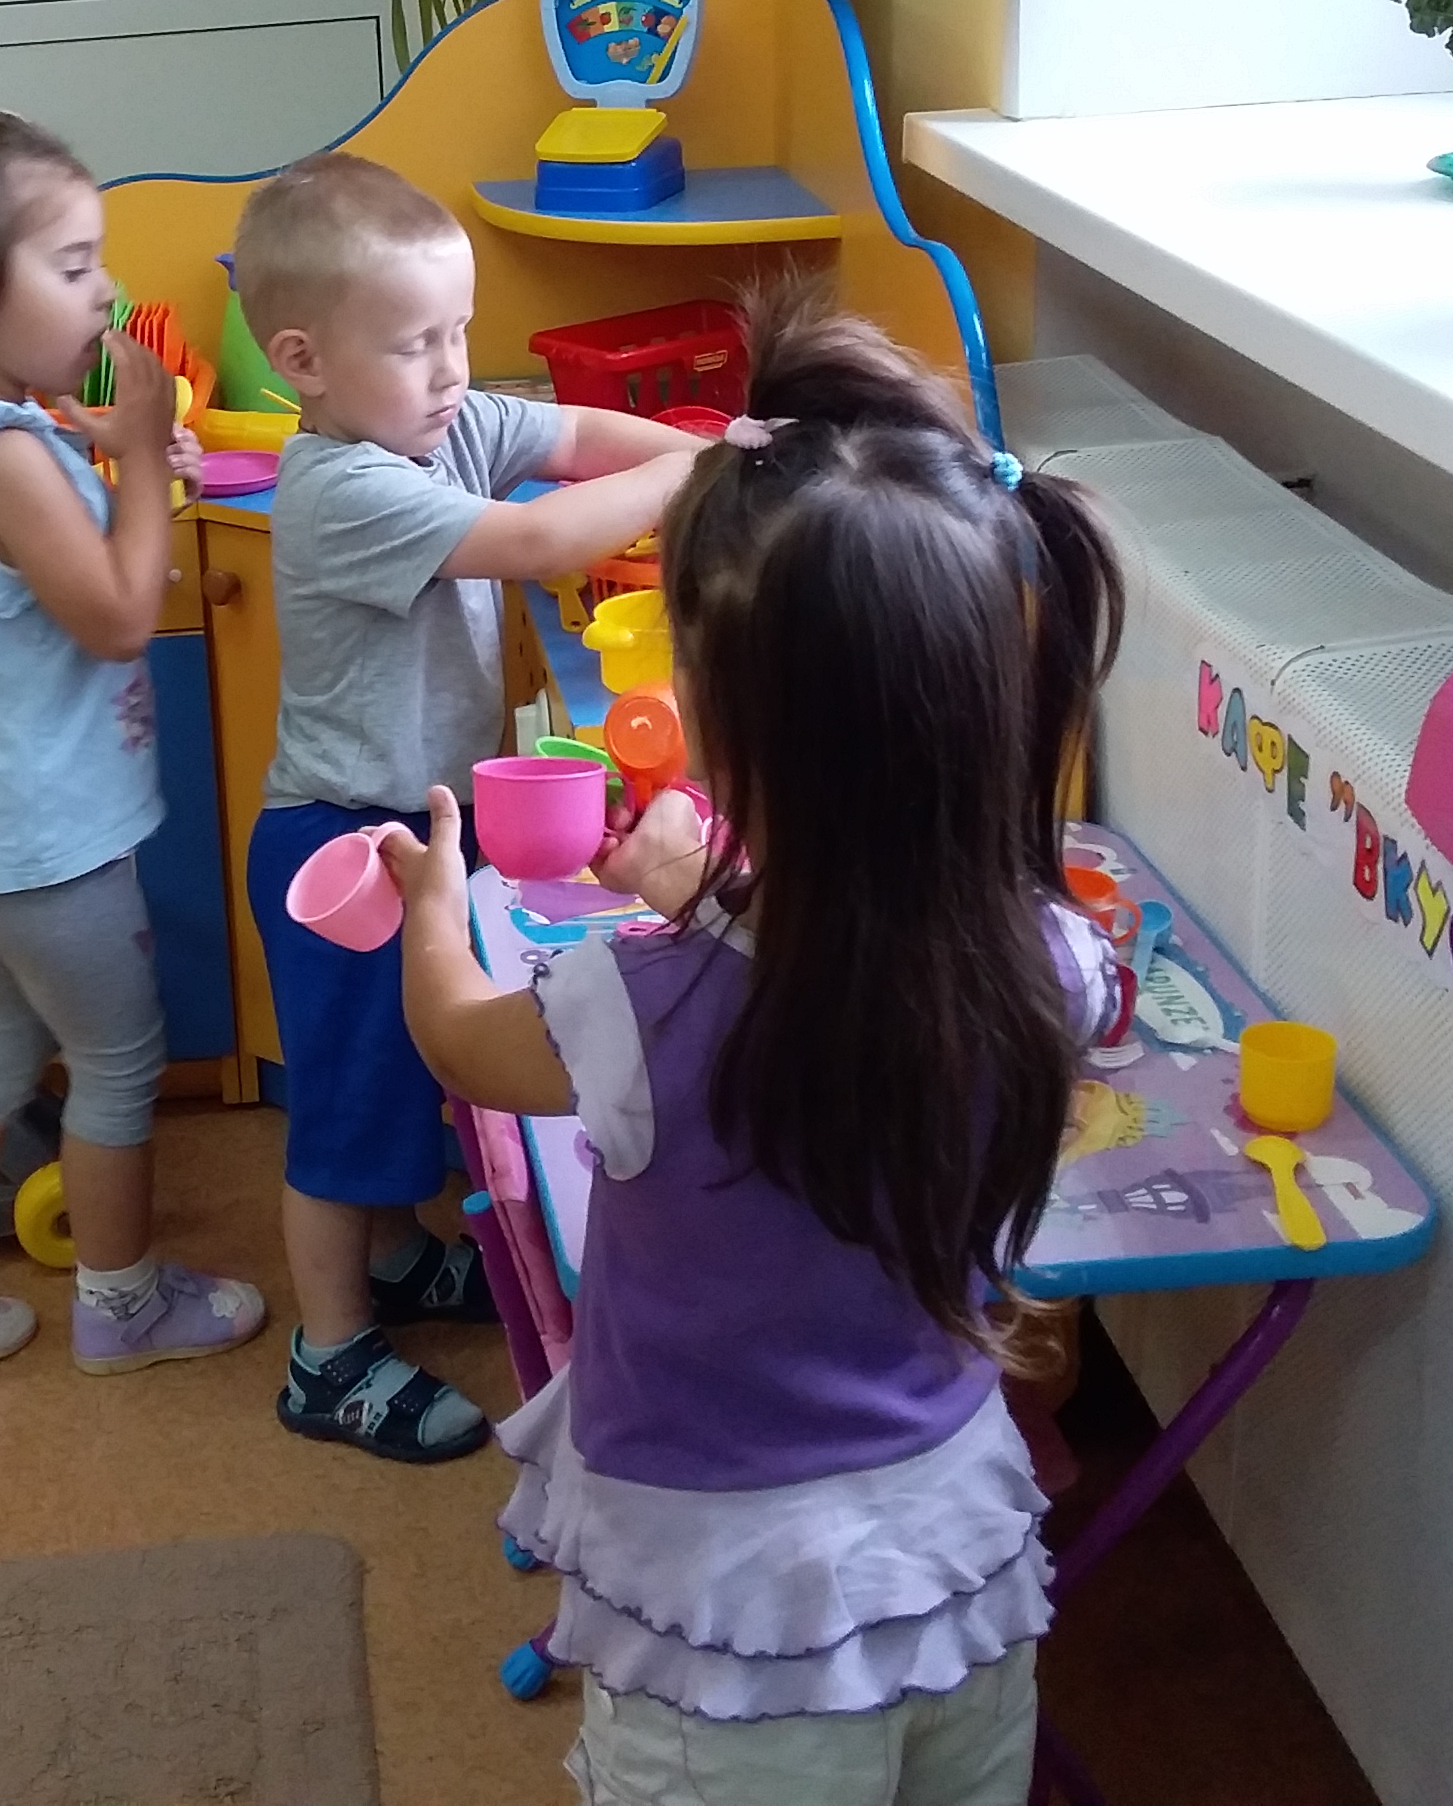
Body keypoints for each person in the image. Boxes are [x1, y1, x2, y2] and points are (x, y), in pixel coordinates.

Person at [374, 288, 1126, 1803]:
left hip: (733, 1620)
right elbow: (852, 949)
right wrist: (697, 892)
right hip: (953, 1564)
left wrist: (431, 907)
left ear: (721, 724)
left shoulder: (634, 1004)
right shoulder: (1054, 962)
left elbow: (459, 1040)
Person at [232, 152, 699, 1464]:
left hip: (415, 824)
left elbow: (576, 436)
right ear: (305, 362)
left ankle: (393, 1261)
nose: (451, 370)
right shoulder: (339, 486)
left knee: (403, 1069)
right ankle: (328, 1356)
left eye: (459, 332)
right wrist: (700, 481)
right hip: (344, 844)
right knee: (347, 1110)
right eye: (413, 344)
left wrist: (708, 451)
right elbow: (543, 542)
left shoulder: (443, 426)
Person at [0, 99, 263, 1388]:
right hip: (44, 846)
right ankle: (121, 1306)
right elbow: (121, 614)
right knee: (119, 1064)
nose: (107, 292)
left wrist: (122, 459)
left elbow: (37, 569)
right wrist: (138, 466)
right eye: (74, 267)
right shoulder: (11, 457)